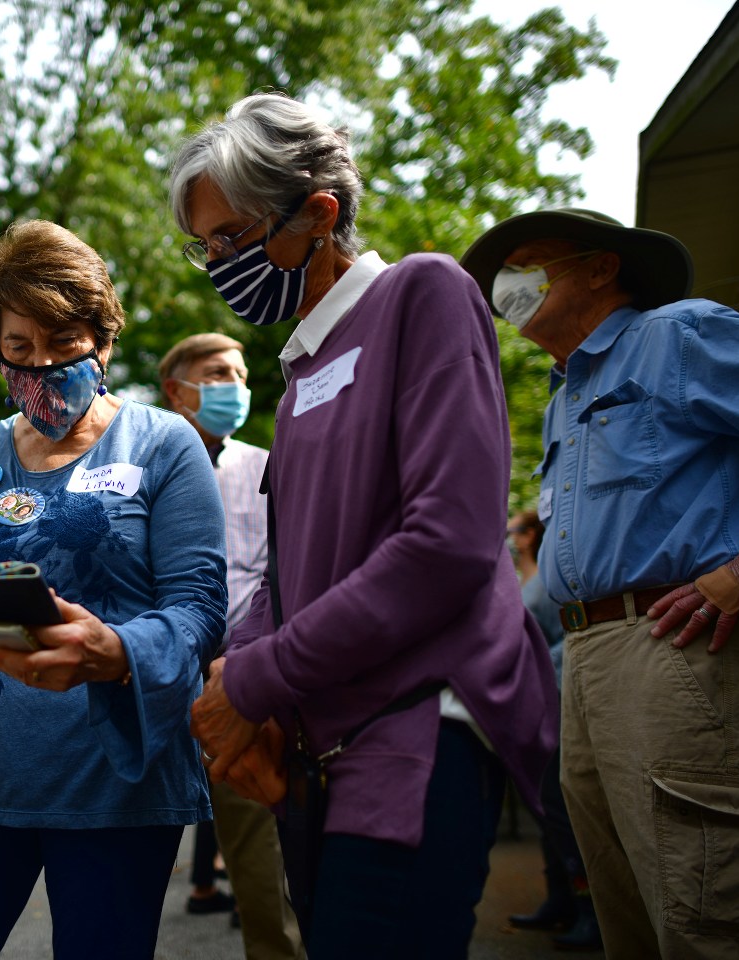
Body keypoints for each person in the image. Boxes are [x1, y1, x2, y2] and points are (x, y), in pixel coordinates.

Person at [173, 93, 557, 959]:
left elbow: (448, 545)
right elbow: (286, 570)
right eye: (206, 248)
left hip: (418, 725)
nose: (219, 264)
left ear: (320, 212)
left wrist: (258, 677)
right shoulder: (301, 366)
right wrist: (235, 676)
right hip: (326, 745)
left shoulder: (423, 291)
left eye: (233, 238)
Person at [0, 219, 227, 960]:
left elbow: (200, 610)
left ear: (103, 338)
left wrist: (117, 648)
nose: (41, 364)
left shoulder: (165, 445)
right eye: (18, 348)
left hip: (117, 785)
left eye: (64, 343)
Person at [460, 208, 739, 959]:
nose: (510, 284)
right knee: (628, 913)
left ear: (602, 268)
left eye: (532, 261)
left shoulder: (676, 335)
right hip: (591, 661)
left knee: (706, 911)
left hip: (675, 649)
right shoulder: (567, 390)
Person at [159, 332, 303, 958]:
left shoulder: (267, 467)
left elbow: (284, 573)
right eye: (219, 374)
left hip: (238, 686)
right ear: (177, 389)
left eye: (242, 375)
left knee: (259, 855)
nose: (237, 389)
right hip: (155, 679)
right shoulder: (143, 468)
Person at [505, 510, 601, 952]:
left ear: (530, 537)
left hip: (558, 695)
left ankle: (588, 910)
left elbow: (560, 637)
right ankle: (559, 899)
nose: (509, 537)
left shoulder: (551, 582)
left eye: (515, 531)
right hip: (534, 701)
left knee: (562, 805)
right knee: (545, 802)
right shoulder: (525, 578)